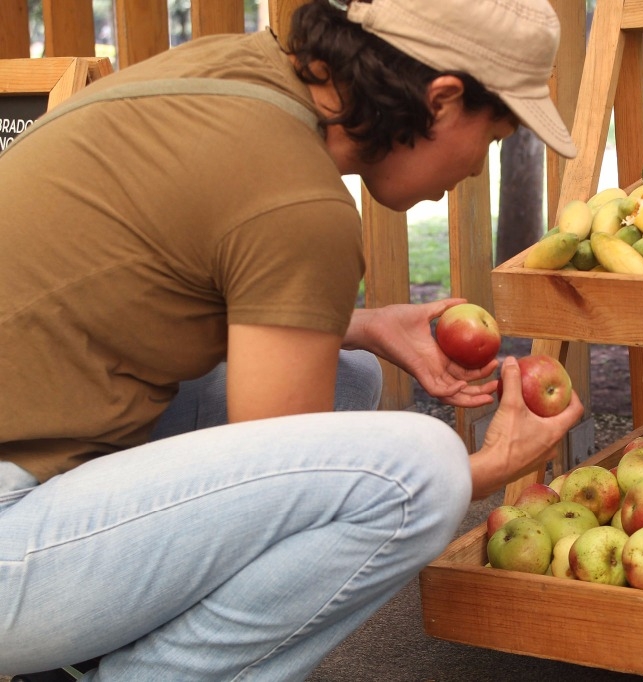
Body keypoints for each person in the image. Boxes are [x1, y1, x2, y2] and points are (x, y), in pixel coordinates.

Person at [0, 0, 583, 679]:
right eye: (492, 138)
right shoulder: (300, 205)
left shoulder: (230, 74)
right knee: (418, 468)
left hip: (31, 461)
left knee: (350, 377)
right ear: (444, 101)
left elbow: (154, 283)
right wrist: (480, 471)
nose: (478, 170)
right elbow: (288, 486)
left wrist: (364, 325)